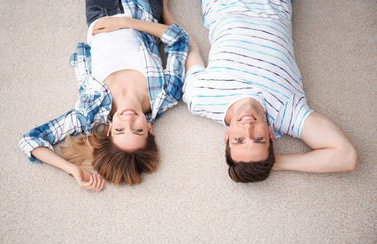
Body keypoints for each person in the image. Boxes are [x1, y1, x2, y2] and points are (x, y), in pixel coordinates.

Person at [19, 0, 189, 191]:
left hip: (101, 11)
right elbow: (179, 39)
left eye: (119, 130)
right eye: (138, 130)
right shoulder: (166, 95)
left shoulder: (89, 112)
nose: (128, 120)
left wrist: (72, 170)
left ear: (108, 130)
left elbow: (30, 140)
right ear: (149, 129)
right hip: (144, 9)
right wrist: (127, 23)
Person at [182, 0, 358, 182]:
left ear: (227, 135)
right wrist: (276, 162)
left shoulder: (201, 97)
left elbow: (188, 47)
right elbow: (346, 156)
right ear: (270, 134)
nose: (248, 128)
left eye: (239, 139)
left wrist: (166, 16)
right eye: (259, 138)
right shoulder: (288, 112)